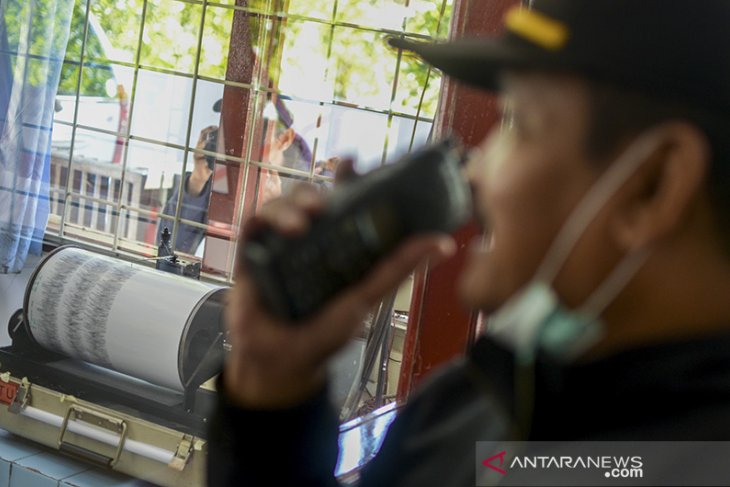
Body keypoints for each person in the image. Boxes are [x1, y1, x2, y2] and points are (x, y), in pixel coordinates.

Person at [209, 1, 730, 485]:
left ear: (654, 186)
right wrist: (273, 389)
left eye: (520, 125)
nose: (477, 174)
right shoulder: (475, 403)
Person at [160, 96, 312, 254]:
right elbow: (168, 247)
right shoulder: (221, 171)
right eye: (232, 124)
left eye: (254, 131)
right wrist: (197, 181)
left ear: (285, 139)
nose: (239, 138)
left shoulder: (308, 193)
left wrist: (275, 210)